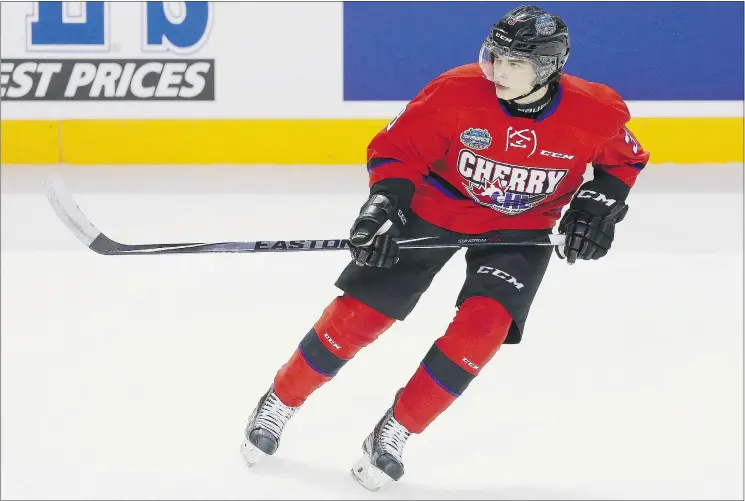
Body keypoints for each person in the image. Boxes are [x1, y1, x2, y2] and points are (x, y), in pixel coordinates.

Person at [240, 4, 650, 491]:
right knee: (362, 314)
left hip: (521, 229)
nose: (497, 70)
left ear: (547, 68)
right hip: (437, 209)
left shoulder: (596, 110)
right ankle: (280, 401)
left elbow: (625, 162)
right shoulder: (454, 91)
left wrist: (596, 207)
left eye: (514, 63)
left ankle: (394, 433)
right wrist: (384, 205)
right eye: (494, 56)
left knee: (484, 329)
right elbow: (397, 150)